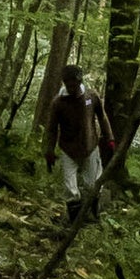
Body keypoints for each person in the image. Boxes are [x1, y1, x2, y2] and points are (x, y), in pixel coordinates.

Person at [46, 64, 113, 218]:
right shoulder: (58, 103)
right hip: (67, 149)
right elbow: (51, 129)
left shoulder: (91, 97)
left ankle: (94, 214)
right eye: (67, 83)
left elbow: (102, 117)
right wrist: (49, 151)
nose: (71, 87)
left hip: (90, 147)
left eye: (73, 83)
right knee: (71, 189)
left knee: (93, 185)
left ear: (79, 81)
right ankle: (74, 222)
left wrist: (110, 138)